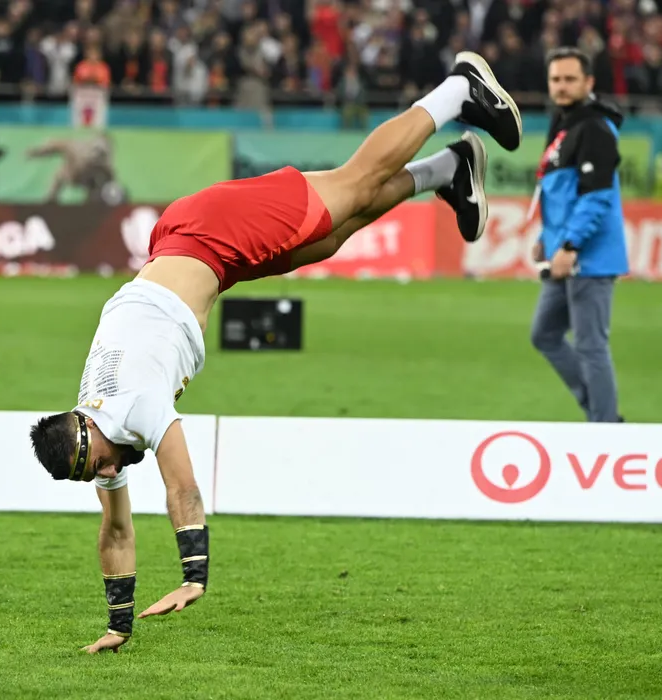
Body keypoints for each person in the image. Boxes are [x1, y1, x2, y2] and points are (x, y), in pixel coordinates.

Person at [29, 51, 522, 653]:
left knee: (354, 182)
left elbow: (183, 489)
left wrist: (194, 576)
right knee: (329, 236)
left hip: (210, 233)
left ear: (87, 433)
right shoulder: (97, 431)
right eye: (97, 475)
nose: (109, 473)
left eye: (101, 465)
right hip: (200, 253)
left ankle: (457, 91)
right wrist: (119, 623)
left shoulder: (132, 406)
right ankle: (450, 167)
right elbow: (114, 530)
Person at [530, 47, 628, 423]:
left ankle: (605, 428)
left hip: (588, 256)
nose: (561, 86)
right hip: (562, 253)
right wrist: (547, 238)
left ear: (589, 83)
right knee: (544, 334)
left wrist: (570, 245)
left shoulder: (594, 128)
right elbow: (561, 193)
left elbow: (596, 197)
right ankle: (598, 408)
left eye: (570, 79)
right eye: (556, 79)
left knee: (590, 346)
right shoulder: (564, 124)